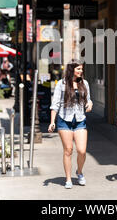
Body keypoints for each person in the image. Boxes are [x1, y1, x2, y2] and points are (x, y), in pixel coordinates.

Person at [48, 59, 93, 189]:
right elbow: (55, 104)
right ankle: (68, 179)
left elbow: (88, 100)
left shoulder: (84, 83)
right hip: (64, 120)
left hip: (79, 120)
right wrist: (52, 122)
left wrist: (89, 104)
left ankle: (79, 172)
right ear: (71, 69)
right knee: (68, 150)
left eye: (81, 69)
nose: (81, 71)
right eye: (78, 69)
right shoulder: (61, 84)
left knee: (82, 150)